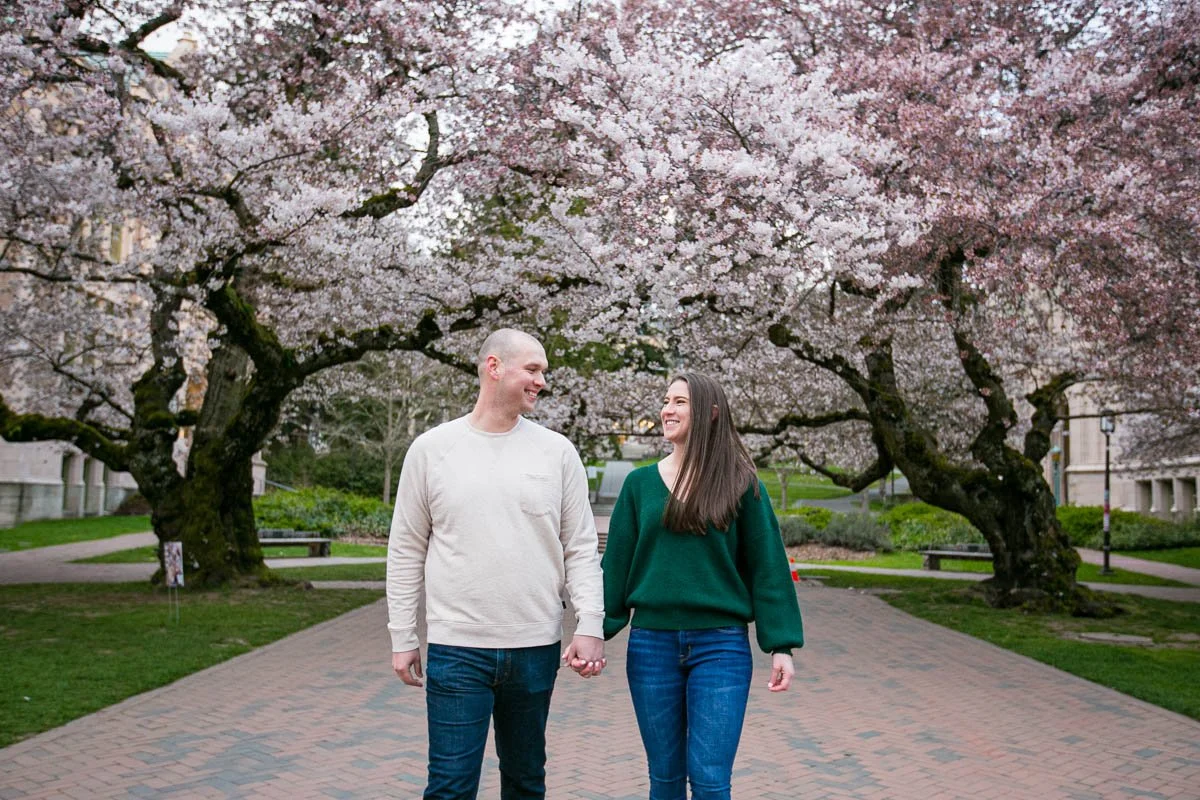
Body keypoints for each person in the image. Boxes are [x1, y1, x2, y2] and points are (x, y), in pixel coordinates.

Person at [386, 328, 606, 800]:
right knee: (449, 787)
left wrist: (591, 623)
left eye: (543, 372)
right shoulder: (431, 449)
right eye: (532, 369)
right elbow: (405, 549)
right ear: (493, 366)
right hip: (457, 648)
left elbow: (580, 548)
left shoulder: (557, 452)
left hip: (534, 647)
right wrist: (403, 636)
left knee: (526, 783)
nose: (541, 381)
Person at [601, 372, 805, 800]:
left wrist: (781, 644)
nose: (666, 410)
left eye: (679, 402)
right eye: (665, 400)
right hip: (650, 646)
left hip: (722, 648)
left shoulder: (741, 483)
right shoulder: (638, 486)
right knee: (665, 778)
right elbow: (615, 567)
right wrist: (592, 631)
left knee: (710, 779)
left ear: (711, 414)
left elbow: (768, 566)